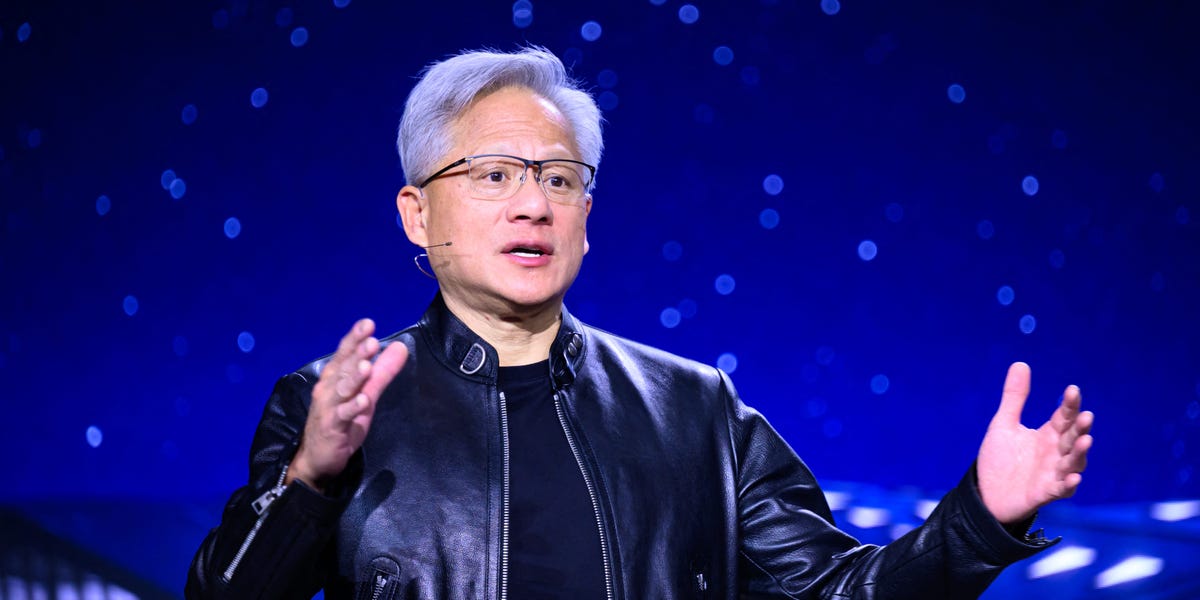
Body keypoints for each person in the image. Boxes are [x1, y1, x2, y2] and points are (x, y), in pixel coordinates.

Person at [186, 47, 1094, 599]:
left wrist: (980, 520)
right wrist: (309, 482)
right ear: (417, 215)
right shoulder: (330, 407)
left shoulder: (696, 410)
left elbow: (839, 591)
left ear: (586, 215)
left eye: (559, 178)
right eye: (494, 175)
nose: (532, 205)